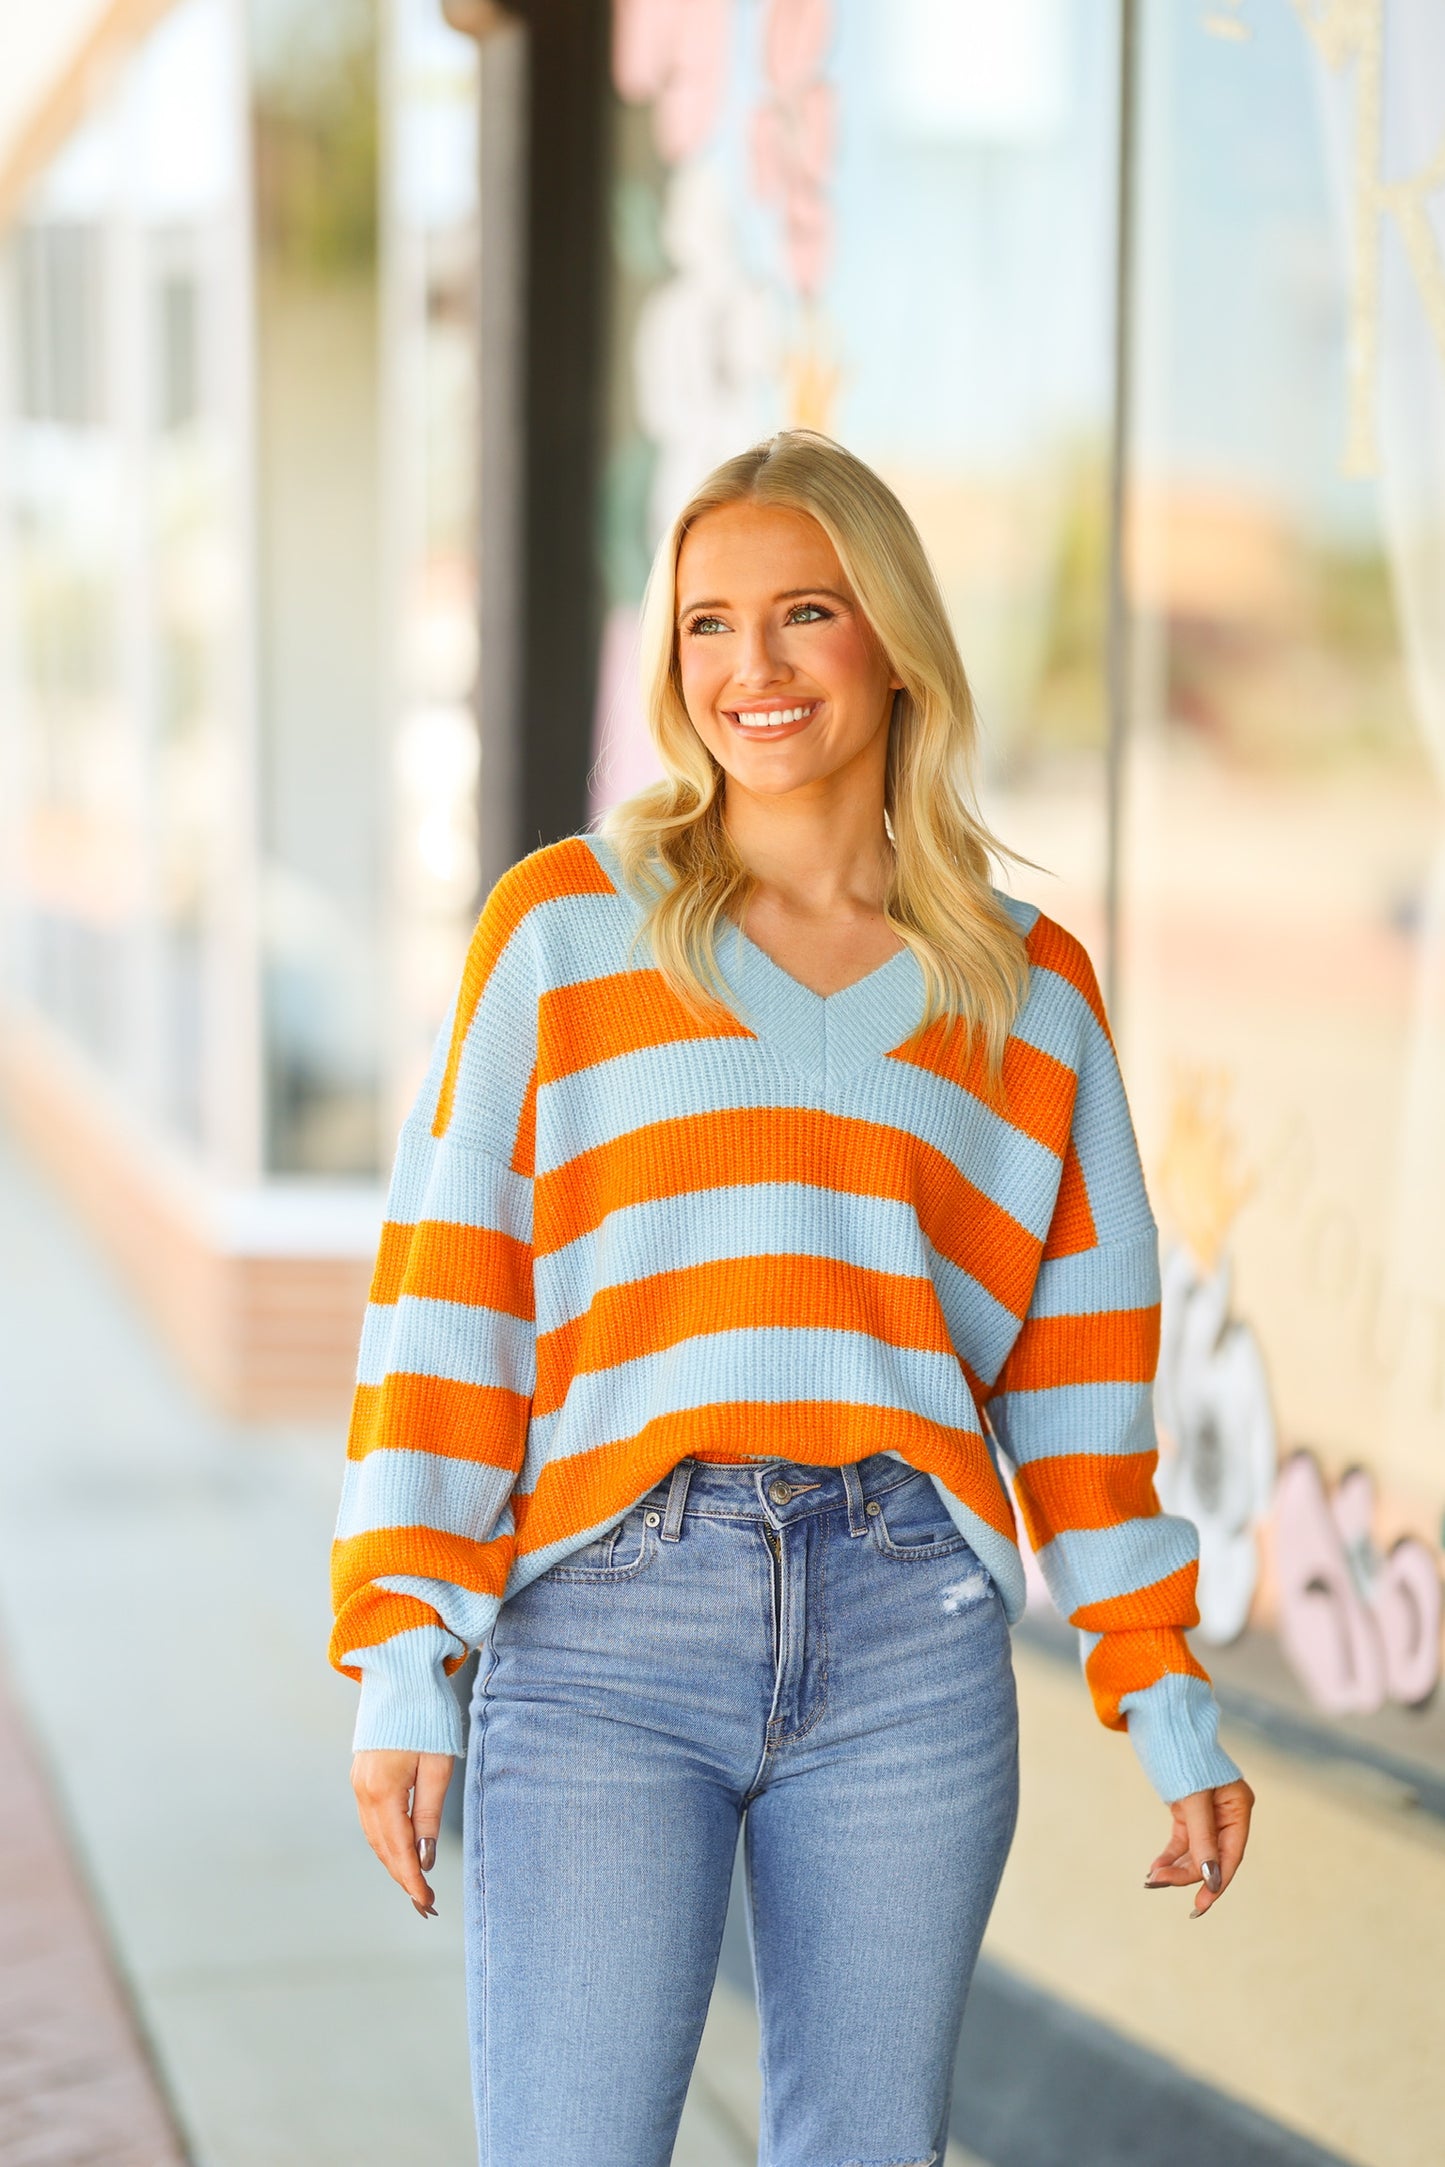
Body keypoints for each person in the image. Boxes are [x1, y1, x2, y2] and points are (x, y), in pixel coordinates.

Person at [331, 429, 1254, 2166]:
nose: (747, 667)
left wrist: (1161, 1683)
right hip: (605, 1626)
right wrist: (403, 1648)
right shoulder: (565, 932)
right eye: (704, 624)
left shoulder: (1029, 993)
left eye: (802, 613)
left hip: (911, 1638)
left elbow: (1079, 1388)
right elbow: (451, 1297)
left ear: (890, 641)